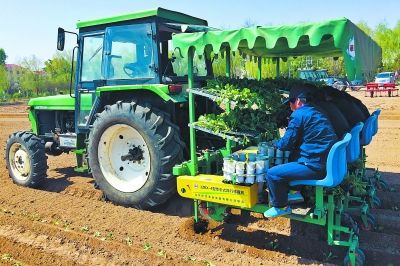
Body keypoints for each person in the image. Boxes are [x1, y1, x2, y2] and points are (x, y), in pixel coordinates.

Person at [264, 85, 337, 218]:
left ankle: (281, 206)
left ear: (298, 101)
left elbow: (286, 144)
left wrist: (274, 144)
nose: (290, 106)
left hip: (315, 165)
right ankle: (294, 193)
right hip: (324, 160)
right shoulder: (317, 111)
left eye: (290, 103)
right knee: (294, 155)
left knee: (272, 174)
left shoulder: (298, 114)